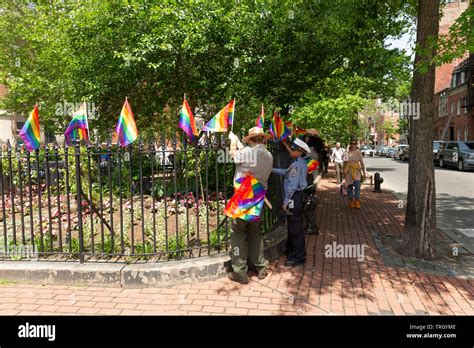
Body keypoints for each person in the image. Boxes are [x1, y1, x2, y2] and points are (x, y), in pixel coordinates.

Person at [227, 127, 273, 284]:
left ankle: (240, 272)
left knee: (238, 233)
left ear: (252, 140)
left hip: (243, 196)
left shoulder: (248, 153)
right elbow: (249, 156)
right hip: (258, 197)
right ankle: (261, 266)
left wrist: (233, 142)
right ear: (263, 140)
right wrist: (241, 144)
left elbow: (233, 156)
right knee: (255, 232)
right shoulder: (269, 155)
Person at [272, 138, 310, 267]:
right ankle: (292, 250)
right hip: (297, 197)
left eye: (293, 149)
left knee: (295, 228)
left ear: (299, 152)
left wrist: (285, 202)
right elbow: (285, 172)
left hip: (294, 197)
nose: (291, 151)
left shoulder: (297, 165)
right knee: (293, 226)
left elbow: (292, 186)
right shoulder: (300, 163)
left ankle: (299, 256)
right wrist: (271, 169)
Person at [342, 139, 368, 209]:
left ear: (357, 144)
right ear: (350, 144)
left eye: (355, 144)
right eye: (352, 143)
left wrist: (364, 171)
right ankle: (351, 201)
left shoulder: (359, 152)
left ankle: (357, 201)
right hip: (348, 172)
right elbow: (344, 163)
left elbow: (362, 163)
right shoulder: (346, 153)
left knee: (357, 188)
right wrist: (343, 173)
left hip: (356, 172)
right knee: (349, 188)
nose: (353, 145)